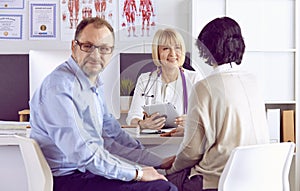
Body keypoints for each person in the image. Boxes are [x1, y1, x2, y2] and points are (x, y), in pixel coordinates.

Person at [29, 17, 177, 191]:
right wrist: (138, 173)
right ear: (74, 47)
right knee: (163, 189)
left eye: (104, 49)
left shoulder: (93, 84)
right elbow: (83, 154)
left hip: (86, 173)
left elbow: (113, 138)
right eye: (88, 46)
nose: (96, 55)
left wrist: (157, 161)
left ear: (111, 52)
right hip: (67, 180)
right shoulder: (59, 88)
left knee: (162, 181)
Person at [165, 17, 270, 191]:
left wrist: (172, 168)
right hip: (256, 178)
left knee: (159, 180)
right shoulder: (254, 82)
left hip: (217, 180)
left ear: (206, 50)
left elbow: (191, 152)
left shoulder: (204, 87)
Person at [126, 28, 203, 136]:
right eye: (166, 48)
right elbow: (132, 118)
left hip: (182, 144)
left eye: (177, 48)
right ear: (157, 52)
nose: (173, 53)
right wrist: (143, 124)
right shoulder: (145, 80)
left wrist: (192, 122)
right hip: (151, 143)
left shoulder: (195, 79)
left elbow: (207, 118)